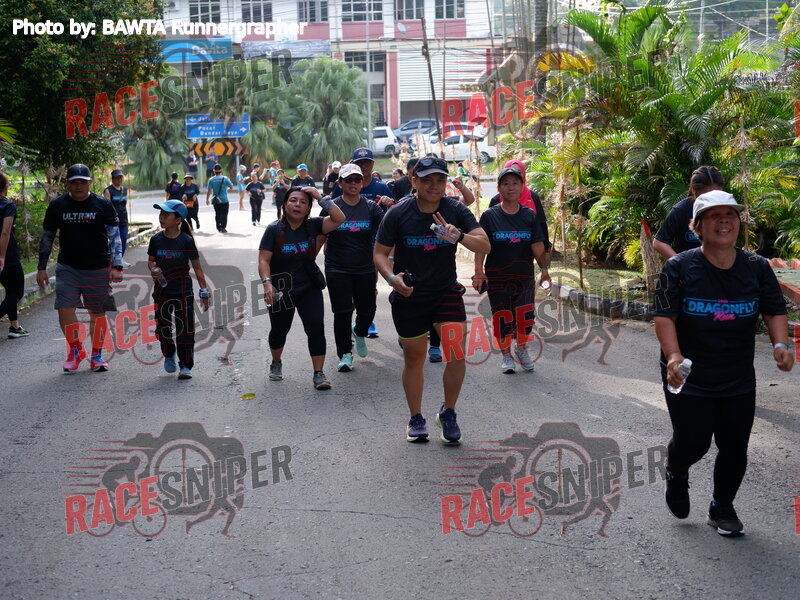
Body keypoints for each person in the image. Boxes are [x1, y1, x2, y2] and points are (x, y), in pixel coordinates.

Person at [652, 190, 794, 537]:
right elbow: (665, 315)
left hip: (736, 374)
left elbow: (774, 309)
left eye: (730, 214)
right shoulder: (679, 267)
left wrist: (780, 344)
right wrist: (673, 355)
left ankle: (722, 506)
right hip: (687, 373)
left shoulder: (756, 267)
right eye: (714, 216)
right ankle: (676, 468)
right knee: (694, 442)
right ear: (698, 227)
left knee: (734, 445)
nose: (724, 221)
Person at [374, 156, 490, 444]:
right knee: (414, 357)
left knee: (456, 352)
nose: (434, 186)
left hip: (445, 292)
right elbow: (379, 253)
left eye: (440, 180)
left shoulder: (455, 209)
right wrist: (392, 278)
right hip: (410, 294)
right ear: (414, 181)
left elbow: (485, 244)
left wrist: (459, 235)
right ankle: (416, 418)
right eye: (427, 180)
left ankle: (448, 413)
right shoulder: (398, 213)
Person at [36, 163, 123, 372]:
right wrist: (41, 267)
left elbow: (115, 236)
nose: (78, 186)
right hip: (68, 267)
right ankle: (76, 349)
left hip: (98, 267)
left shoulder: (102, 204)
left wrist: (117, 265)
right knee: (64, 310)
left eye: (82, 182)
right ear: (68, 183)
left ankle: (96, 355)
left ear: (90, 182)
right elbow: (47, 237)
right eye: (74, 182)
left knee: (97, 312)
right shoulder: (58, 205)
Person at [258, 186, 345, 390]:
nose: (297, 205)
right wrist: (267, 283)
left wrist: (319, 197)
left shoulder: (314, 225)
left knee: (315, 327)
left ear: (308, 209)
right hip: (281, 289)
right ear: (284, 205)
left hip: (308, 287)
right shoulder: (274, 230)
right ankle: (276, 362)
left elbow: (339, 218)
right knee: (279, 330)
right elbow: (263, 260)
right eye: (293, 200)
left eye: (303, 202)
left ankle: (318, 373)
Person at [473, 166, 548, 374]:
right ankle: (506, 355)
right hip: (498, 277)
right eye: (505, 184)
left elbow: (537, 244)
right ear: (499, 188)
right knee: (502, 316)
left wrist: (544, 270)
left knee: (526, 316)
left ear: (522, 187)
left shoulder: (529, 216)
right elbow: (481, 246)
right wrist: (479, 271)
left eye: (515, 183)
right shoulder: (489, 216)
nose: (511, 187)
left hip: (524, 277)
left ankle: (521, 349)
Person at [321, 164, 384, 372]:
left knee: (368, 309)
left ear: (362, 182)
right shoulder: (332, 207)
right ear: (340, 183)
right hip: (337, 267)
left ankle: (359, 331)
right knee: (342, 312)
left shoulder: (371, 207)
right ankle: (345, 354)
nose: (353, 183)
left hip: (364, 266)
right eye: (348, 180)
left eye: (357, 179)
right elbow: (319, 234)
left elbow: (387, 229)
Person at [331, 148, 395, 338]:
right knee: (347, 294)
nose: (364, 166)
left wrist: (391, 203)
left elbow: (391, 219)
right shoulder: (342, 185)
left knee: (368, 288)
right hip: (345, 246)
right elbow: (332, 212)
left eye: (367, 162)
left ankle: (366, 322)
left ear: (372, 164)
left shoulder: (381, 187)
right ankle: (350, 325)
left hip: (373, 246)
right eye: (359, 163)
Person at [148, 200, 210, 380]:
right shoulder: (156, 239)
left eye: (166, 214)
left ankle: (185, 365)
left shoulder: (186, 241)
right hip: (162, 292)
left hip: (183, 292)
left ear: (177, 220)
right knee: (163, 328)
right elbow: (151, 260)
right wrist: (153, 269)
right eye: (161, 214)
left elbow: (197, 267)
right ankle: (169, 353)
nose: (161, 217)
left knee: (185, 330)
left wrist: (204, 291)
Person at [653, 165, 725, 259]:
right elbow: (659, 242)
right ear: (694, 191)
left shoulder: (726, 210)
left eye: (715, 196)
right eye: (705, 197)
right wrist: (680, 263)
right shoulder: (681, 210)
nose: (711, 201)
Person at [0, 173, 29, 338]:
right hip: (8, 256)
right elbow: (5, 232)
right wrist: (2, 257)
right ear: (5, 187)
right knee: (17, 292)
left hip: (5, 257)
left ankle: (14, 326)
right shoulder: (7, 206)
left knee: (10, 290)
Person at [103, 169, 129, 264]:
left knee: (123, 239)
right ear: (113, 179)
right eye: (117, 178)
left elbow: (124, 204)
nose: (119, 179)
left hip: (124, 220)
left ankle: (120, 259)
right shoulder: (108, 190)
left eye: (121, 177)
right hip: (113, 221)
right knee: (114, 242)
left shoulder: (124, 190)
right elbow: (107, 207)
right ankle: (112, 260)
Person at [205, 164, 234, 233]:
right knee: (224, 214)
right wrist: (227, 190)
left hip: (216, 200)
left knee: (217, 214)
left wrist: (207, 199)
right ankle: (223, 227)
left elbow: (209, 191)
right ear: (221, 171)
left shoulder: (211, 180)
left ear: (214, 171)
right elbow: (231, 187)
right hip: (224, 200)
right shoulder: (225, 178)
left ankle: (218, 227)